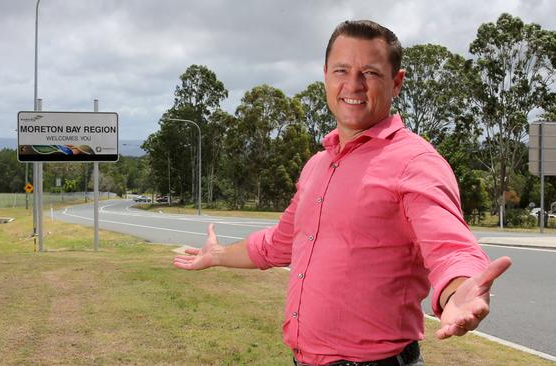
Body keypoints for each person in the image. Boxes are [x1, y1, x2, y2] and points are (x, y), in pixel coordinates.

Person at [174, 20, 512, 366]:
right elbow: (279, 243)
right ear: (325, 75)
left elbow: (450, 248)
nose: (353, 85)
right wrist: (217, 255)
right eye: (341, 70)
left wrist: (458, 289)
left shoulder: (415, 162)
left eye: (370, 73)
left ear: (397, 83)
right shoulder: (317, 165)